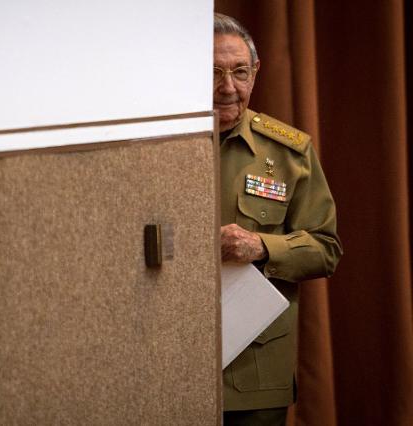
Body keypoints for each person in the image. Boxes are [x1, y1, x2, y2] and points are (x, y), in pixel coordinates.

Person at [214, 12, 343, 425]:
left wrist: (262, 246)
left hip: (254, 372)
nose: (228, 88)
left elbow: (326, 249)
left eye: (239, 72)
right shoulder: (155, 150)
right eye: (213, 73)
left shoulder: (288, 152)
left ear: (256, 72)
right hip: (166, 361)